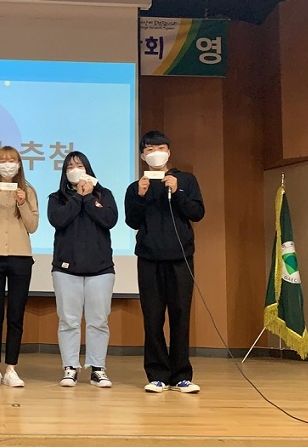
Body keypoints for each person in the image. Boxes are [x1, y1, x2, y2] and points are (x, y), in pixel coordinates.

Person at [124, 130, 205, 394]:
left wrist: (177, 192)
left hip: (180, 258)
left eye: (160, 148)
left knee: (180, 316)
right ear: (142, 156)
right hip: (149, 259)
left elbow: (197, 213)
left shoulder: (186, 180)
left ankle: (182, 375)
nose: (155, 153)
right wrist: (140, 195)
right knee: (152, 318)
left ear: (169, 152)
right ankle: (157, 374)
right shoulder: (136, 186)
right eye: (149, 149)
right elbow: (132, 221)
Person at [47, 151, 117, 388]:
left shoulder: (104, 195)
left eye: (79, 165)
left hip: (101, 269)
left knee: (98, 320)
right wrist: (78, 196)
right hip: (66, 269)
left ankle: (97, 368)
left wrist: (88, 198)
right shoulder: (57, 198)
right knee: (69, 321)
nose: (74, 170)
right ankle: (70, 367)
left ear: (88, 169)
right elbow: (58, 220)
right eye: (70, 167)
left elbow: (109, 220)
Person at [0, 146, 38, 388]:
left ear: (19, 164)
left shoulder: (28, 191)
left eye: (12, 160)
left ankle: (11, 368)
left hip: (20, 257)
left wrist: (22, 203)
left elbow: (33, 226)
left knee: (16, 314)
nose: (7, 164)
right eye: (2, 160)